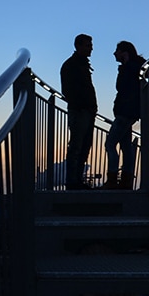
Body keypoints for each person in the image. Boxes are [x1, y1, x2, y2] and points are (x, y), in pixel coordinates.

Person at [102, 40, 149, 189]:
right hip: (129, 112)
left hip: (125, 112)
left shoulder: (130, 69)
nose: (114, 53)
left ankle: (112, 180)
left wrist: (124, 67)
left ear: (124, 53)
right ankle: (126, 181)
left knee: (110, 144)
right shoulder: (136, 68)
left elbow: (122, 88)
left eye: (117, 50)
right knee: (126, 146)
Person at [60, 34, 98, 190]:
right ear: (79, 46)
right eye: (88, 45)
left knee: (84, 145)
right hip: (80, 110)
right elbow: (68, 91)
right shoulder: (71, 65)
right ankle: (72, 181)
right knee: (76, 146)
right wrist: (83, 105)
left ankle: (76, 180)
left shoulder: (81, 64)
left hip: (87, 110)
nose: (91, 48)